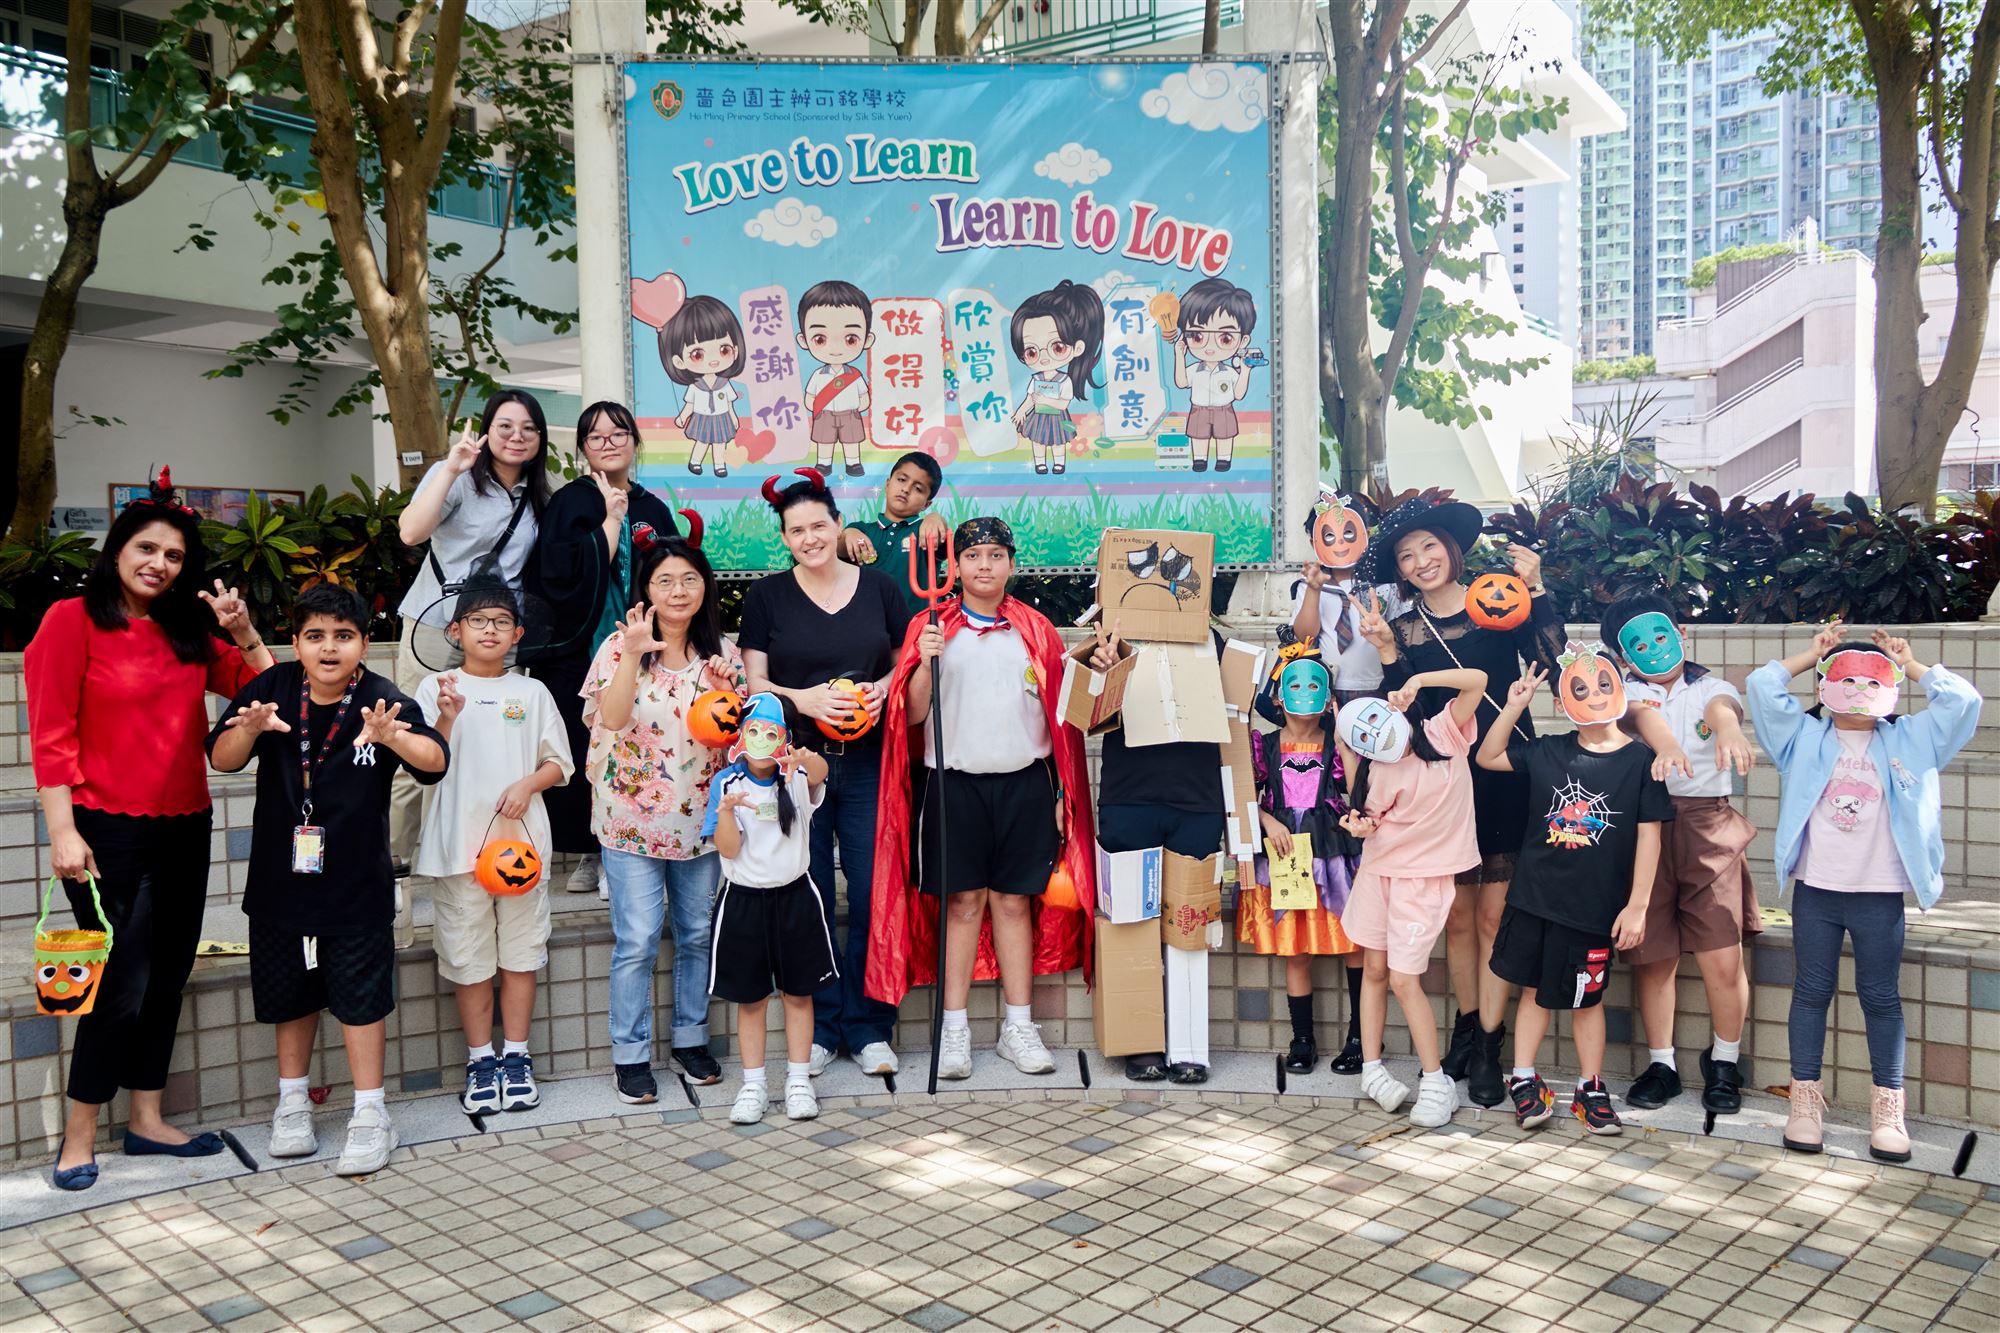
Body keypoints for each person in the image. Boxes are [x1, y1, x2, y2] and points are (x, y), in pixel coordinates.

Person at [1358, 496, 1688, 1108]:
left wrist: (1535, 591)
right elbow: (1406, 712)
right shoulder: (1402, 628)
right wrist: (1383, 649)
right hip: (1445, 783)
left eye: (1430, 546)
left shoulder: (1493, 601)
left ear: (1451, 550)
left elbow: (1551, 661)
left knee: (1493, 919)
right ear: (1399, 571)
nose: (1421, 560)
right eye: (1406, 555)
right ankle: (1464, 1030)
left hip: (1506, 770)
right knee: (1458, 919)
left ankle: (1490, 1044)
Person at [27, 472, 275, 1191]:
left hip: (185, 825)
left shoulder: (188, 631)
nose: (159, 564)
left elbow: (267, 692)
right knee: (120, 984)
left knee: (167, 976)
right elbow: (51, 735)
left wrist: (243, 632)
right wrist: (62, 832)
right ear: (117, 550)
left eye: (173, 555)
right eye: (147, 548)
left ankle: (147, 1119)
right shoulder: (70, 620)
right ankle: (78, 1136)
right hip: (103, 831)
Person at [208, 584, 448, 1176]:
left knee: (362, 1000)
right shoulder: (273, 687)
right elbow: (222, 757)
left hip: (357, 886)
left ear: (364, 643)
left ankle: (370, 1113)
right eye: (315, 636)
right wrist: (251, 729)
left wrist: (393, 736)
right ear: (296, 643)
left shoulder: (380, 698)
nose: (329, 647)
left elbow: (435, 761)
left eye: (343, 636)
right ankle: (292, 1104)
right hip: (280, 882)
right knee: (290, 996)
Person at [867, 518, 1095, 1078]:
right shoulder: (931, 626)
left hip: (1024, 781)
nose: (985, 565)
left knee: (1014, 903)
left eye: (996, 555)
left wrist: (1061, 792)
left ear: (1012, 564)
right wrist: (924, 660)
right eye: (973, 556)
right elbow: (911, 715)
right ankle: (954, 1030)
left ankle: (1019, 1027)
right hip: (952, 783)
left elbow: (1061, 717)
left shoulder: (1035, 630)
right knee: (962, 903)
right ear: (955, 567)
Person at [1747, 624, 1979, 1162]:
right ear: (1825, 686)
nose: (1858, 690)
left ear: (1891, 688)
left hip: (1880, 893)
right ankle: (1805, 1104)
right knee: (1811, 992)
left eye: (1873, 680)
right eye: (1846, 679)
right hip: (1817, 891)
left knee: (1880, 997)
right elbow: (1762, 686)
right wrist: (1813, 654)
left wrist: (1911, 665)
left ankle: (1888, 1111)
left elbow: (1964, 701)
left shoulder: (1914, 739)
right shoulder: (1802, 738)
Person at [739, 469, 911, 1076]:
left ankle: (869, 1027)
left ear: (838, 525)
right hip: (795, 769)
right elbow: (754, 683)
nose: (809, 538)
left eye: (818, 525)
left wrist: (881, 690)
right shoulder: (767, 598)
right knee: (806, 895)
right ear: (784, 538)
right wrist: (804, 700)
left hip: (867, 765)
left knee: (869, 893)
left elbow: (904, 665)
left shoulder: (881, 588)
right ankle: (819, 1027)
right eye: (796, 531)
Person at [1476, 648, 1673, 1137]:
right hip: (1533, 900)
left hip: (1594, 910)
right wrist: (1514, 707)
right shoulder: (1548, 750)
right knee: (1532, 992)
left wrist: (1638, 906)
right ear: (1563, 701)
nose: (1594, 695)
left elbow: (1650, 837)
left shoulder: (1640, 762)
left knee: (1588, 1000)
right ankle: (1524, 1078)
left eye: (1604, 684)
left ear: (1621, 688)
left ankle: (1590, 1087)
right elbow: (1487, 756)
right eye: (1579, 689)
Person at [582, 532, 746, 1103]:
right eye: (665, 581)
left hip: (701, 821)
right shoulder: (619, 645)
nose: (678, 591)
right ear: (646, 590)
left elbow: (741, 745)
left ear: (706, 587)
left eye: (689, 579)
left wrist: (729, 696)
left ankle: (690, 1040)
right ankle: (629, 1055)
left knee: (697, 933)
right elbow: (612, 717)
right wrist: (632, 653)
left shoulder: (725, 656)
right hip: (630, 819)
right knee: (638, 938)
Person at [411, 584, 572, 1115]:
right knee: (469, 958)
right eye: (477, 621)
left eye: (501, 621)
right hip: (457, 847)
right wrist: (447, 715)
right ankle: (481, 1060)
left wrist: (528, 784)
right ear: (455, 631)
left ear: (517, 633)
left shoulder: (532, 691)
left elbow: (560, 764)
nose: (489, 630)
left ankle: (517, 1056)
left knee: (521, 956)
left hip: (520, 849)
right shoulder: (435, 687)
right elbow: (422, 760)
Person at [1600, 593, 1760, 1114]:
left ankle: (1725, 1063)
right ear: (1623, 657)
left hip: (1708, 828)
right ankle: (1662, 1065)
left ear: (1681, 634)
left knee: (1723, 958)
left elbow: (1722, 710)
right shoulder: (1622, 693)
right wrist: (1666, 745)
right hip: (1644, 830)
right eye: (1638, 644)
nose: (1654, 648)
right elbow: (1644, 719)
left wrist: (1730, 729)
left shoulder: (1712, 687)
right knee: (1654, 958)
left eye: (1660, 635)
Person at [525, 401, 680, 897]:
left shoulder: (653, 507)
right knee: (581, 748)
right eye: (596, 436)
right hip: (578, 651)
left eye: (618, 434)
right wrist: (609, 524)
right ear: (583, 448)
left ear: (634, 441)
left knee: (637, 747)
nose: (609, 443)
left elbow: (674, 573)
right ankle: (590, 852)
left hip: (643, 651)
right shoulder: (570, 502)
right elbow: (558, 576)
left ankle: (630, 846)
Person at [392, 391, 551, 862]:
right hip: (435, 625)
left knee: (492, 745)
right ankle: (394, 863)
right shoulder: (457, 476)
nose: (517, 436)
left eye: (528, 428)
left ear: (540, 438)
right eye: (505, 426)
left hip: (498, 633)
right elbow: (410, 532)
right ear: (486, 430)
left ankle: (478, 854)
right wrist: (450, 468)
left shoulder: (540, 494)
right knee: (414, 739)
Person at [1334, 667, 1486, 1129]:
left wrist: (1418, 680)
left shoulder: (1443, 732)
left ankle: (1437, 1082)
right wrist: (1358, 823)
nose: (1374, 737)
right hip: (1380, 873)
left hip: (1423, 881)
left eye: (1372, 724)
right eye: (1362, 738)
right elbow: (1365, 814)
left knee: (1404, 980)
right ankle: (1372, 1070)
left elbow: (1477, 680)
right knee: (1374, 970)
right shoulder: (1378, 768)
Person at [1086, 621, 1229, 1083]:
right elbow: (1084, 716)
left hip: (1198, 800)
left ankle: (1189, 1049)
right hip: (1129, 798)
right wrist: (1105, 671)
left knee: (1189, 927)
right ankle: (1139, 1042)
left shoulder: (1210, 640)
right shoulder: (1110, 640)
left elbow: (1238, 718)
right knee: (1131, 924)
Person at [703, 694, 834, 1123]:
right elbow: (728, 849)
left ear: (785, 737)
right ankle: (754, 1085)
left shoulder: (796, 775)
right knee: (751, 999)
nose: (761, 739)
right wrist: (725, 813)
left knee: (799, 995)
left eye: (771, 732)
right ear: (740, 736)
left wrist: (804, 758)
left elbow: (822, 773)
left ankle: (799, 1081)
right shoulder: (726, 783)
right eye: (753, 730)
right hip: (744, 901)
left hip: (796, 898)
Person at [1240, 650, 1362, 1077]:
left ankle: (1360, 1036)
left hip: (1333, 852)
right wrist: (1266, 818)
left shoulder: (1337, 744)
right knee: (1296, 951)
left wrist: (1344, 741)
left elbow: (1358, 792)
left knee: (1354, 946)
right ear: (1278, 697)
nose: (1305, 693)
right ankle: (1303, 1039)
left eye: (1315, 685)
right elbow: (1241, 794)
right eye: (1294, 685)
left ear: (1328, 697)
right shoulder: (1264, 745)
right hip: (1285, 855)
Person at [838, 450, 951, 619]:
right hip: (866, 627)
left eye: (918, 488)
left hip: (915, 630)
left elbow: (941, 536)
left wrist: (936, 518)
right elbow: (838, 549)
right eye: (902, 480)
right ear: (888, 484)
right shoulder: (861, 530)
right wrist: (848, 534)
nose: (906, 489)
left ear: (926, 505)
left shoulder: (925, 532)